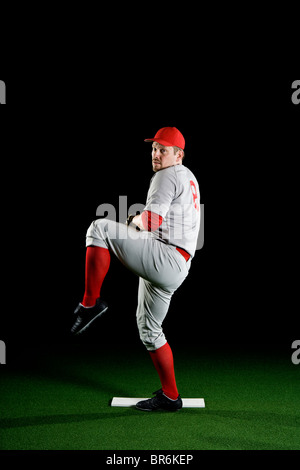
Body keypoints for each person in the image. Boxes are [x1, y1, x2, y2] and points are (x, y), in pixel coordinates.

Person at [71, 127, 201, 412]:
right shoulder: (189, 176)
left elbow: (152, 221)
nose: (156, 154)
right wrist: (139, 222)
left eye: (163, 149)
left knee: (99, 228)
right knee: (150, 330)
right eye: (154, 148)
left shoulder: (166, 175)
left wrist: (135, 221)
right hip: (177, 262)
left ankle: (90, 303)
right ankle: (170, 396)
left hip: (165, 256)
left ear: (178, 155)